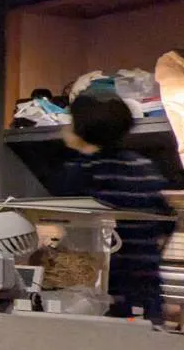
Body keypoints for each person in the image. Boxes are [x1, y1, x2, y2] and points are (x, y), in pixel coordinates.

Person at [60, 93, 172, 322]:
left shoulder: (84, 171)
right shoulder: (144, 166)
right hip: (145, 291)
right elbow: (167, 224)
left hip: (99, 294)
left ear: (80, 128)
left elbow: (66, 225)